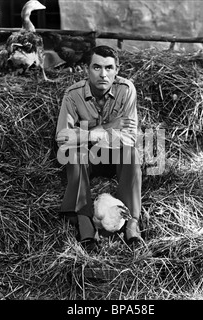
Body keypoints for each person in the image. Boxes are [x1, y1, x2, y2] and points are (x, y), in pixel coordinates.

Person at [55, 45, 142, 251]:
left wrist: (86, 135)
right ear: (87, 69)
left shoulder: (127, 90)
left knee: (131, 153)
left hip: (114, 156)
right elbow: (62, 138)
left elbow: (129, 137)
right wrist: (105, 128)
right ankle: (84, 222)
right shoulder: (73, 95)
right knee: (75, 154)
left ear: (117, 70)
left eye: (109, 68)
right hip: (88, 157)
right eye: (96, 67)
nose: (103, 74)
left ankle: (132, 223)